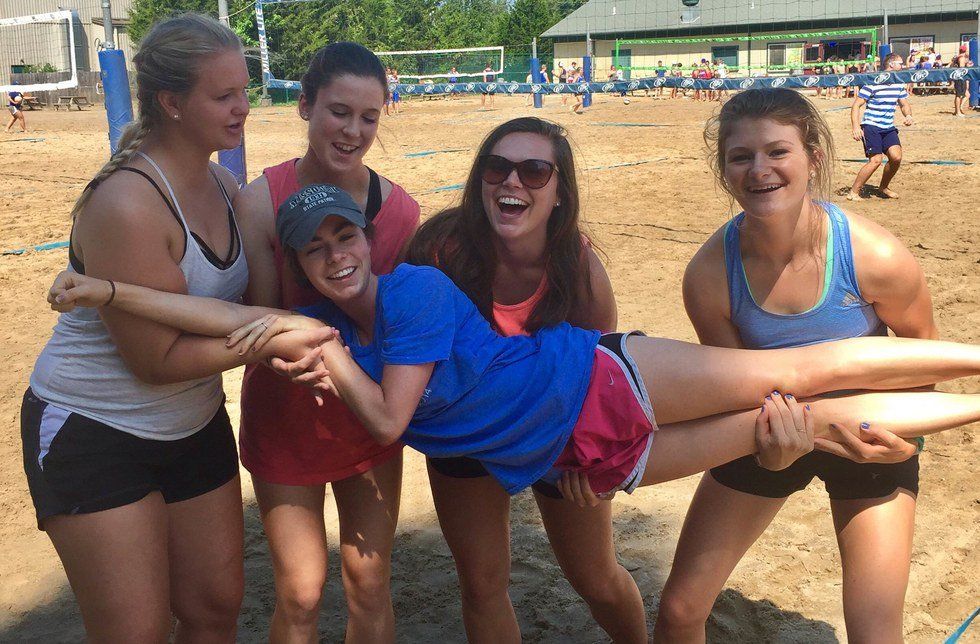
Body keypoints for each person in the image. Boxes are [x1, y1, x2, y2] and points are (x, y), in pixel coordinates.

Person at [656, 87, 937, 643]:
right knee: (680, 611)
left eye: (777, 151)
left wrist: (907, 443)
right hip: (767, 430)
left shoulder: (874, 257)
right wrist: (771, 451)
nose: (759, 169)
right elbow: (733, 389)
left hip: (867, 437)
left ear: (813, 157)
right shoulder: (710, 276)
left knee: (875, 630)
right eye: (741, 156)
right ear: (724, 169)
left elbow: (922, 358)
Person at [20, 14, 250, 641]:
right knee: (135, 633)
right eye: (223, 95)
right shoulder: (128, 203)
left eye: (243, 90)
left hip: (192, 421)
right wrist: (266, 339)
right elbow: (154, 361)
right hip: (97, 428)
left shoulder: (223, 183)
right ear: (172, 102)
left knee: (214, 610)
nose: (242, 107)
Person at [405, 117, 644, 641]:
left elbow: (602, 379)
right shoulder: (440, 251)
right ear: (479, 180)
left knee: (596, 577)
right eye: (497, 168)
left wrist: (593, 463)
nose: (512, 181)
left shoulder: (577, 268)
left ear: (560, 194)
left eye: (534, 171)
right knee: (481, 586)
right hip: (467, 433)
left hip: (555, 431)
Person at [232, 42, 419, 642]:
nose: (353, 131)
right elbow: (263, 320)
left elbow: (402, 320)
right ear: (305, 105)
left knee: (369, 581)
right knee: (301, 592)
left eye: (369, 117)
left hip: (365, 414)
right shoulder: (260, 200)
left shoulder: (399, 211)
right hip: (286, 416)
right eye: (339, 112)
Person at [847, 53, 912, 201]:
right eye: (900, 63)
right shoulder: (873, 82)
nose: (902, 66)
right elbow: (856, 105)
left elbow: (904, 104)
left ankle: (883, 187)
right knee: (876, 160)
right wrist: (856, 127)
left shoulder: (898, 83)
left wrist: (908, 115)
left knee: (896, 158)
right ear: (891, 64)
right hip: (871, 126)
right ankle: (853, 192)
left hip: (888, 127)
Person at [952, 45, 972, 117]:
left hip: (958, 78)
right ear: (965, 51)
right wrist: (968, 66)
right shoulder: (962, 58)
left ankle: (958, 109)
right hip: (960, 78)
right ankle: (958, 112)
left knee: (965, 95)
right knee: (959, 95)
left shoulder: (957, 57)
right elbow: (961, 69)